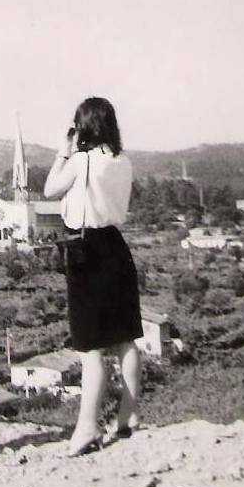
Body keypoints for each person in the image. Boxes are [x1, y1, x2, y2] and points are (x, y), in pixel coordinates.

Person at [43, 96, 143, 457]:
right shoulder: (123, 161)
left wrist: (63, 151)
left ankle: (87, 427)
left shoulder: (81, 160)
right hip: (116, 246)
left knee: (90, 347)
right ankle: (128, 415)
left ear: (83, 126)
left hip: (86, 250)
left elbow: (50, 189)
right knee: (125, 338)